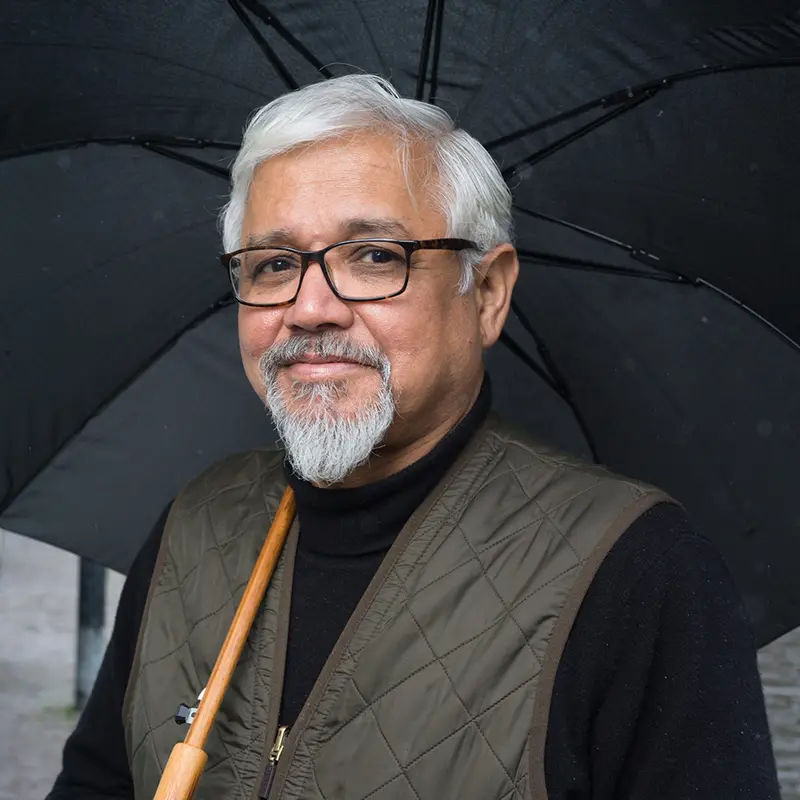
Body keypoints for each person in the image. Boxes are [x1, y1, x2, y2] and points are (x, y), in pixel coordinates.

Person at [47, 74, 779, 800]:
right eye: (273, 264)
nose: (309, 308)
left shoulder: (638, 573)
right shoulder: (195, 526)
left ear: (486, 293)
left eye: (373, 256)